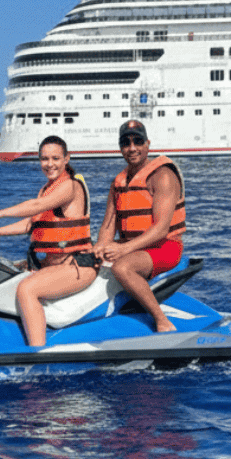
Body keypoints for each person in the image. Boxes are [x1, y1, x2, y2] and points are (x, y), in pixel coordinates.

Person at [0, 136, 97, 347]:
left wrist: (0, 213)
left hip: (76, 265)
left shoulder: (69, 187)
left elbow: (36, 206)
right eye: (44, 159)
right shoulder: (47, 188)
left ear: (66, 159)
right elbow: (30, 224)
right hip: (52, 265)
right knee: (1, 272)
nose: (49, 164)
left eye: (55, 158)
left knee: (27, 289)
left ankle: (37, 352)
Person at [93, 120, 185, 334]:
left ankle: (161, 321)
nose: (132, 148)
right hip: (132, 246)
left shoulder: (163, 176)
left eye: (138, 141)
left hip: (165, 247)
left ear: (148, 144)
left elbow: (161, 229)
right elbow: (109, 223)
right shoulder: (119, 181)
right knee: (81, 255)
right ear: (120, 147)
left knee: (122, 267)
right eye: (126, 143)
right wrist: (101, 245)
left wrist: (122, 249)